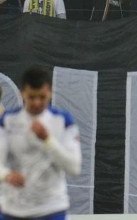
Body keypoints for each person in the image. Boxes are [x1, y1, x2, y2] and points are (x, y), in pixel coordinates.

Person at [0, 66, 82, 220]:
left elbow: (74, 167)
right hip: (13, 210)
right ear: (22, 93)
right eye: (31, 97)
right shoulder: (7, 121)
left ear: (50, 92)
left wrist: (48, 140)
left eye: (42, 97)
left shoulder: (63, 121)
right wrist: (6, 175)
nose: (37, 103)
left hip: (52, 209)